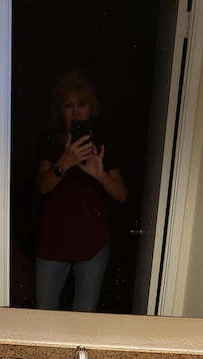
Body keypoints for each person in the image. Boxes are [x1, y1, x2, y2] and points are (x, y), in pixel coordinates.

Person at [34, 71, 128, 312]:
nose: (76, 112)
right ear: (60, 111)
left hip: (93, 245)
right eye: (68, 105)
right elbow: (42, 186)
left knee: (85, 315)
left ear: (91, 109)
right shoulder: (50, 143)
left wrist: (100, 175)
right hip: (52, 244)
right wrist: (65, 162)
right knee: (44, 313)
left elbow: (121, 194)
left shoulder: (102, 146)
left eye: (82, 105)